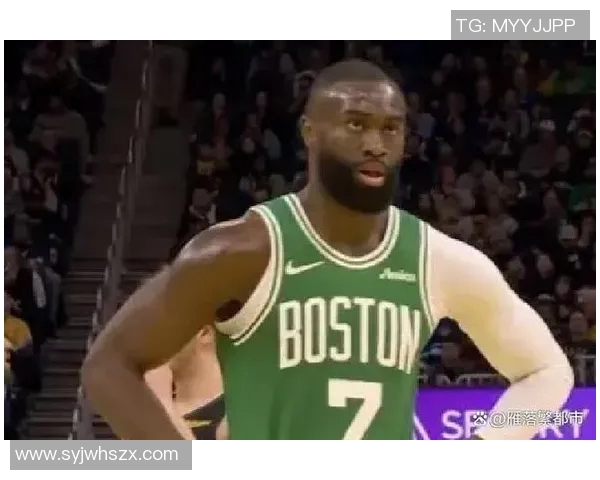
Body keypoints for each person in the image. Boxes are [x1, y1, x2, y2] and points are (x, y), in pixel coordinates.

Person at [82, 59, 573, 440]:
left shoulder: (439, 260)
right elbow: (108, 367)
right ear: (309, 133)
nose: (376, 143)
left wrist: (484, 447)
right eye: (356, 124)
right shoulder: (239, 251)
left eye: (391, 127)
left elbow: (547, 373)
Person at [144, 327, 227, 440]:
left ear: (205, 333)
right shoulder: (142, 412)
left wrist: (163, 404)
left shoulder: (235, 409)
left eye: (165, 329)